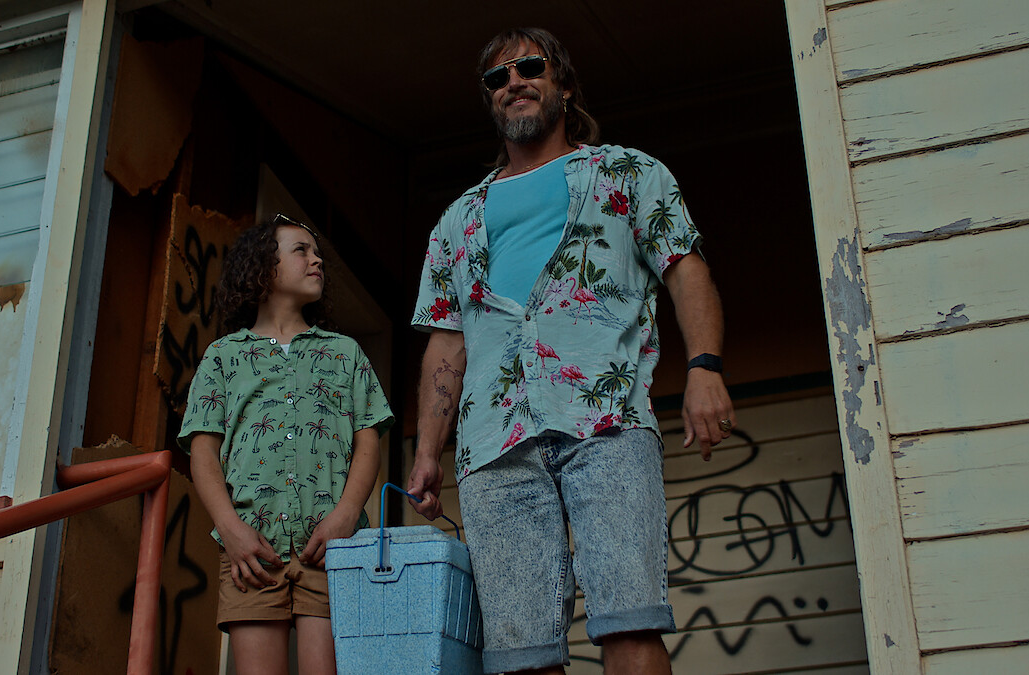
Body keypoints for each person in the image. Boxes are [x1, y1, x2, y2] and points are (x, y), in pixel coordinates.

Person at [406, 28, 735, 675]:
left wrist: (704, 367)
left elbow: (685, 268)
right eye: (497, 77)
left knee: (630, 622)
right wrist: (425, 450)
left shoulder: (627, 174)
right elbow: (447, 338)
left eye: (530, 67)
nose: (513, 82)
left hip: (606, 422)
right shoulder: (456, 222)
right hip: (493, 446)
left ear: (563, 85)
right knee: (521, 656)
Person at [180, 214, 393, 675]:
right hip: (251, 552)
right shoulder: (223, 357)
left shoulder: (345, 353)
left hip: (332, 550)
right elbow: (202, 452)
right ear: (264, 266)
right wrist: (229, 529)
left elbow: (368, 441)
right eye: (301, 250)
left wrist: (345, 516)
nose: (317, 260)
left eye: (317, 253)